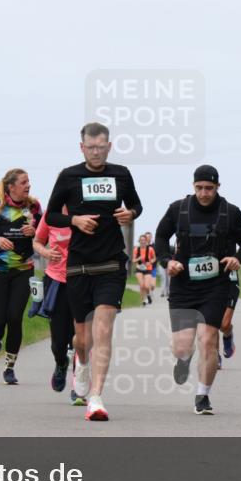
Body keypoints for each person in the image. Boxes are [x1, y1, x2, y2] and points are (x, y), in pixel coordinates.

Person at [45, 122, 142, 421]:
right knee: (82, 339)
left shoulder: (121, 174)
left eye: (101, 147)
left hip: (111, 263)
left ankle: (96, 397)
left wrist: (131, 213)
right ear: (82, 147)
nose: (96, 152)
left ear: (109, 147)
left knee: (103, 330)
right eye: (91, 147)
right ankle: (81, 364)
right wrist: (74, 221)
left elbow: (136, 205)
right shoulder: (69, 176)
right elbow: (51, 215)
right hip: (78, 265)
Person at [154, 165, 241, 415]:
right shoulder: (178, 209)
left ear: (218, 187)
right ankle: (184, 358)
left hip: (215, 285)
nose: (204, 193)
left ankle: (202, 396)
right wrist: (168, 261)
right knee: (182, 346)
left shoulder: (230, 212)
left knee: (208, 340)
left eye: (209, 188)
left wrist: (237, 258)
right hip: (183, 285)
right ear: (193, 186)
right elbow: (160, 237)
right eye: (199, 188)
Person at [0, 169, 41, 385]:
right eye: (24, 182)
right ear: (11, 186)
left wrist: (35, 233)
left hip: (24, 269)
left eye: (29, 181)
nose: (28, 185)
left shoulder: (34, 207)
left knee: (15, 318)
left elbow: (45, 231)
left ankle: (10, 367)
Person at [30, 206, 76, 395]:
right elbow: (37, 241)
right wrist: (46, 253)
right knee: (58, 341)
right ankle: (61, 362)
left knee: (81, 338)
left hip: (82, 280)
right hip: (56, 280)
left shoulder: (86, 210)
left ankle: (79, 383)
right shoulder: (51, 214)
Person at [132, 233, 157, 306]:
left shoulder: (150, 249)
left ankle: (148, 295)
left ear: (146, 241)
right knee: (141, 285)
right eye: (141, 240)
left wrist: (150, 262)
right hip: (139, 268)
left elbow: (154, 258)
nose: (142, 241)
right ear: (139, 241)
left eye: (144, 240)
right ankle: (143, 300)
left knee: (146, 286)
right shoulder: (136, 249)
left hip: (148, 269)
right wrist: (138, 259)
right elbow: (133, 260)